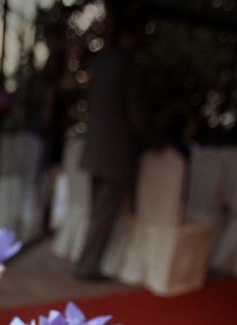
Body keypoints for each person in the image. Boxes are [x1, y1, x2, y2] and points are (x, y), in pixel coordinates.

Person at [73, 1, 149, 280]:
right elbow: (137, 117)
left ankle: (85, 264)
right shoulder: (130, 67)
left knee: (96, 215)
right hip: (116, 154)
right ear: (138, 32)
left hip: (94, 150)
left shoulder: (102, 63)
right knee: (102, 217)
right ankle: (86, 268)